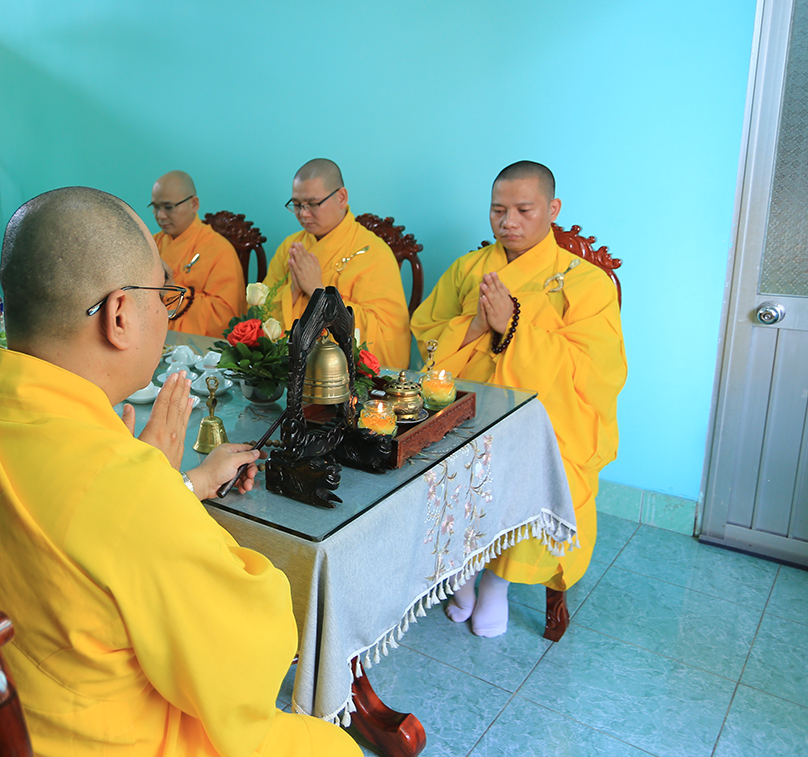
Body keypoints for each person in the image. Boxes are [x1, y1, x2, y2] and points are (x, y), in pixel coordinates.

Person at [0, 187, 371, 757]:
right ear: (120, 314)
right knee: (334, 756)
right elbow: (250, 657)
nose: (168, 316)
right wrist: (158, 492)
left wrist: (161, 485)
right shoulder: (128, 492)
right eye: (164, 297)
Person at [410, 161, 627, 637]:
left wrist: (513, 326)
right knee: (433, 457)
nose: (508, 222)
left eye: (524, 210)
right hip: (466, 408)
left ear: (552, 209)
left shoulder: (586, 283)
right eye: (498, 210)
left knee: (535, 465)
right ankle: (461, 571)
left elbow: (596, 372)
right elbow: (426, 336)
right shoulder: (468, 269)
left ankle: (497, 585)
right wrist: (474, 325)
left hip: (544, 418)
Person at [263, 159, 410, 368]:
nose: (303, 213)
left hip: (340, 374)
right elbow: (262, 314)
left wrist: (318, 292)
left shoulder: (374, 253)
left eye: (313, 204)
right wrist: (293, 291)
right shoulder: (291, 247)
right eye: (296, 205)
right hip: (286, 367)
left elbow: (386, 334)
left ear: (341, 197)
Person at [149, 170, 246, 336]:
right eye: (155, 207)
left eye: (168, 207)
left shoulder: (220, 250)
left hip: (196, 345)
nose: (160, 215)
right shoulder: (151, 243)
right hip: (151, 338)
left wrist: (169, 290)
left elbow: (224, 318)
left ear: (194, 204)